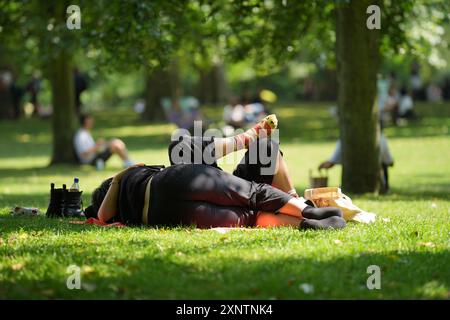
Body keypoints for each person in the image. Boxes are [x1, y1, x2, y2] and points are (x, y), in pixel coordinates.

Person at [86, 115, 346, 231]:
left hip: (167, 214)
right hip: (178, 182)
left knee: (249, 217)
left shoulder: (115, 212)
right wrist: (121, 175)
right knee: (179, 146)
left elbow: (101, 216)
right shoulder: (129, 178)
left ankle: (305, 222)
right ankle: (304, 209)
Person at [319, 134, 394, 193]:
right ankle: (384, 187)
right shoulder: (380, 136)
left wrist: (328, 163)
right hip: (376, 178)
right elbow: (389, 161)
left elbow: (332, 162)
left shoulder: (347, 137)